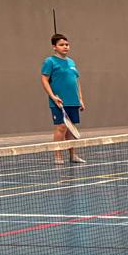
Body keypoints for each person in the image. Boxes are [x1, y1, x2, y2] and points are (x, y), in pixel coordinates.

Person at [41, 33, 86, 165]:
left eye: (67, 44)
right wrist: (53, 96)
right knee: (61, 127)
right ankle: (58, 156)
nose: (65, 47)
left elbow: (76, 81)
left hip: (73, 101)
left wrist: (80, 99)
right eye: (61, 45)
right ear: (54, 47)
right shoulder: (50, 61)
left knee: (71, 129)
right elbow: (44, 79)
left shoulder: (71, 62)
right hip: (59, 101)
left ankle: (73, 155)